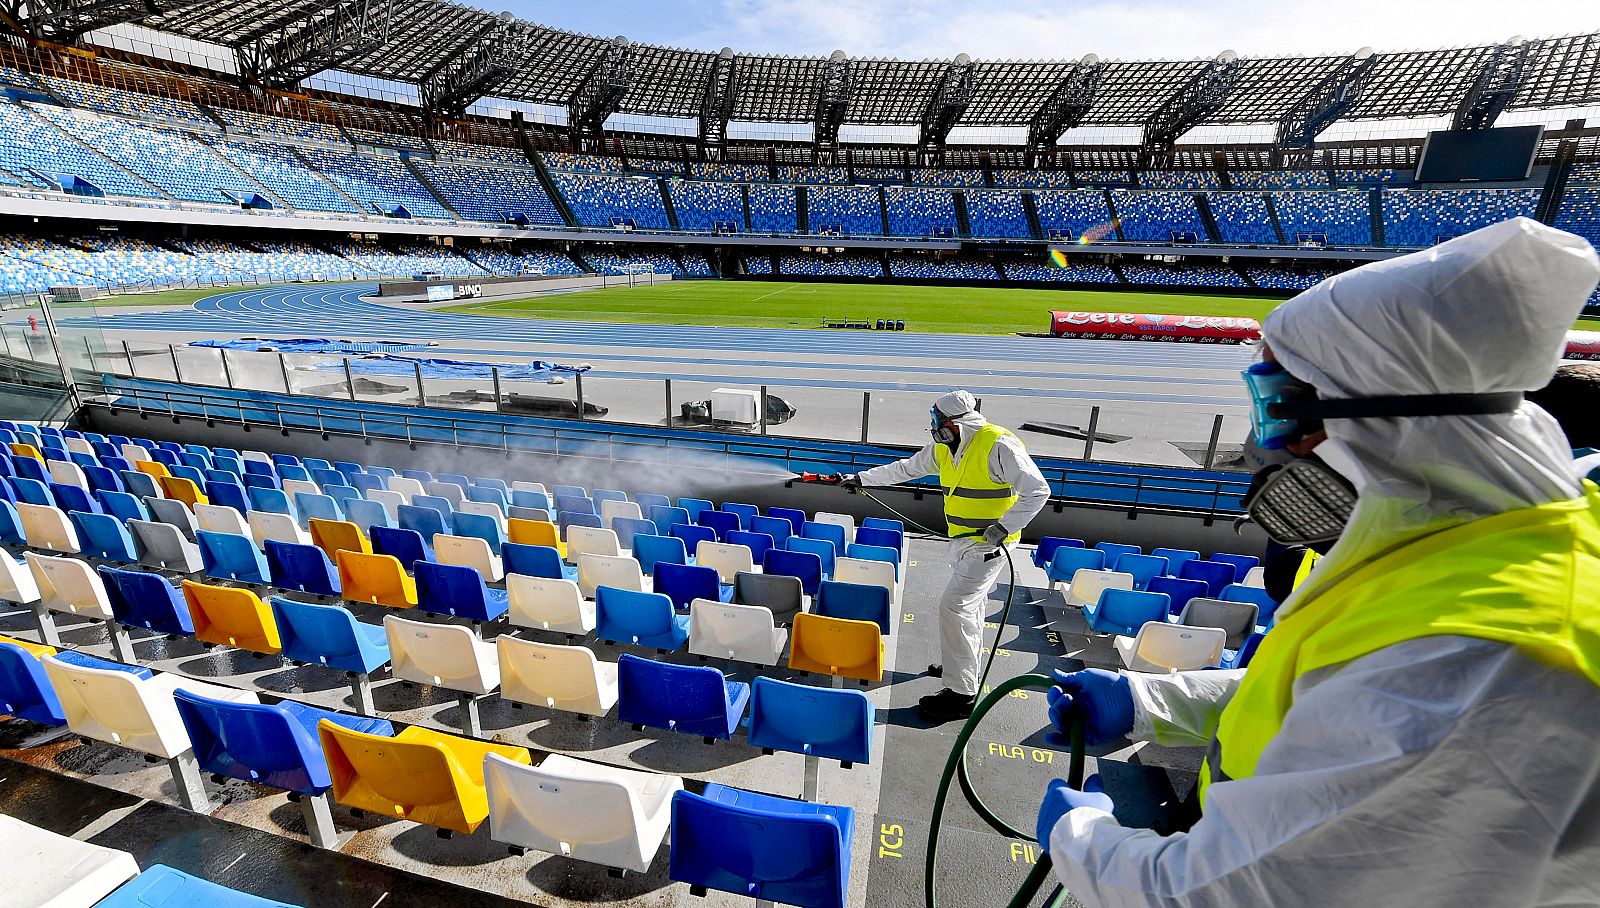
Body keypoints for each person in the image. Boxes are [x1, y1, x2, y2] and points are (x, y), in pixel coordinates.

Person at [1034, 218, 1600, 906]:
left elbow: (1223, 897)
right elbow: (1337, 699)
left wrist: (1081, 837)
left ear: (1381, 418)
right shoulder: (1462, 549)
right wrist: (1150, 701)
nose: (1263, 448)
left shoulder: (1485, 661)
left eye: (1277, 410)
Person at [835, 389, 1048, 722]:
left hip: (991, 547)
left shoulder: (999, 446)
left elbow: (1038, 490)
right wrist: (863, 478)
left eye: (939, 422)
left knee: (955, 605)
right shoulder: (944, 449)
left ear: (958, 423)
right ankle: (960, 665)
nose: (935, 428)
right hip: (962, 542)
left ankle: (962, 694)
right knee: (970, 607)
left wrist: (1004, 528)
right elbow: (905, 469)